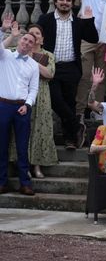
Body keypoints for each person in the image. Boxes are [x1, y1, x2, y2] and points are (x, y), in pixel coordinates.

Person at [38, 0, 99, 149]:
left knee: (69, 102)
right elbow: (36, 37)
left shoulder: (78, 22)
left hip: (72, 68)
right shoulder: (45, 19)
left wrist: (89, 20)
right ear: (56, 1)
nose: (65, 3)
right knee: (56, 101)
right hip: (51, 68)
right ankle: (76, 125)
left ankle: (70, 139)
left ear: (72, 3)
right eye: (62, 0)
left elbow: (93, 38)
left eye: (68, 1)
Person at [0, 28, 39, 195]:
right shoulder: (6, 55)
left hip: (22, 108)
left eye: (30, 42)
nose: (27, 43)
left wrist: (28, 105)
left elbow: (34, 89)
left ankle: (25, 183)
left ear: (33, 46)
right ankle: (1, 182)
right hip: (3, 105)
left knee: (22, 146)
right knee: (2, 145)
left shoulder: (33, 65)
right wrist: (10, 35)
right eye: (25, 40)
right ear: (20, 41)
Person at [23, 24, 58, 178]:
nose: (34, 35)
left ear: (42, 39)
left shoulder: (48, 55)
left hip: (42, 94)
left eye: (37, 33)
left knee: (40, 129)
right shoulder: (20, 53)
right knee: (24, 129)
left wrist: (32, 61)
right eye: (31, 33)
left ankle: (37, 166)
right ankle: (23, 166)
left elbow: (49, 74)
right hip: (23, 93)